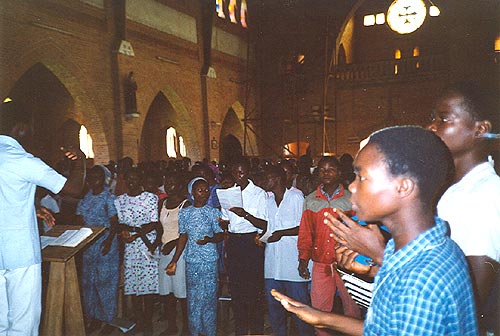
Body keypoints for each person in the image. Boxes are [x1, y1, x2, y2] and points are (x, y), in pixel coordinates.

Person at [326, 82, 500, 335]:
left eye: (443, 119)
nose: (431, 127)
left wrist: (378, 253)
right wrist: (374, 268)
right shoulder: (451, 188)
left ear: (480, 129)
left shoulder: (486, 195)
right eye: (432, 119)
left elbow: (467, 300)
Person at [272, 125, 478, 336]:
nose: (352, 187)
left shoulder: (420, 282)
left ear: (402, 187)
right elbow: (384, 330)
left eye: (362, 177)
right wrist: (322, 317)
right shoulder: (428, 250)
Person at [0, 101, 86, 335]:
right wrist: (81, 163)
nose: (32, 132)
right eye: (30, 127)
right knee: (23, 325)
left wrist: (32, 206)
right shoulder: (22, 159)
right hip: (20, 255)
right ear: (20, 128)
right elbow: (73, 190)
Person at [297, 156, 360, 336]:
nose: (326, 173)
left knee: (352, 310)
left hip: (348, 264)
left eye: (331, 169)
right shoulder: (311, 200)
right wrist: (303, 259)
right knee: (319, 311)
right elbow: (306, 233)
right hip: (321, 264)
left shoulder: (351, 199)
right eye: (322, 169)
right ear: (317, 173)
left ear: (339, 172)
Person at [166, 177, 224, 336]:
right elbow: (183, 237)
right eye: (200, 190)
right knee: (194, 300)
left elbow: (221, 235)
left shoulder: (213, 212)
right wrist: (174, 260)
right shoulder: (185, 213)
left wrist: (209, 239)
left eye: (206, 190)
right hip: (192, 261)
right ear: (192, 192)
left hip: (209, 261)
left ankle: (209, 332)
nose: (204, 193)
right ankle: (195, 331)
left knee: (209, 299)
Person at [218, 157, 268, 335]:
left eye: (241, 172)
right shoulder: (228, 192)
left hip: (251, 242)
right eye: (235, 172)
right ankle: (240, 328)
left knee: (253, 289)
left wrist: (244, 214)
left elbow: (263, 224)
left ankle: (255, 329)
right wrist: (223, 222)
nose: (238, 176)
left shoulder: (259, 194)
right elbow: (226, 219)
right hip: (234, 241)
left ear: (248, 172)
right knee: (237, 288)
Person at [262, 165, 314, 336]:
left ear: (276, 179)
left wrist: (282, 233)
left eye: (267, 178)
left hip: (292, 262)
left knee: (299, 308)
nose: (264, 181)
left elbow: (305, 227)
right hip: (272, 264)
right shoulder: (268, 200)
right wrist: (261, 236)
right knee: (275, 308)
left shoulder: (296, 197)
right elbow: (268, 226)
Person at [115, 168, 162, 336]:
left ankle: (148, 322)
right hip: (131, 247)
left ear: (140, 180)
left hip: (146, 245)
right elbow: (121, 224)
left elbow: (153, 223)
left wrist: (135, 234)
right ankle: (139, 321)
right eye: (129, 179)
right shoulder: (120, 201)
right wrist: (124, 232)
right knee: (134, 286)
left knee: (148, 287)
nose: (132, 182)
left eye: (135, 179)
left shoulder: (150, 198)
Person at [76, 165, 120, 335]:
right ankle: (94, 318)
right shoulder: (84, 199)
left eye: (98, 178)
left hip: (105, 244)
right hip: (88, 246)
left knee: (106, 283)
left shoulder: (108, 198)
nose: (95, 181)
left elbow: (115, 223)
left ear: (103, 180)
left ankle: (108, 319)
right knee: (89, 283)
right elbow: (80, 220)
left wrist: (109, 241)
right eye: (92, 178)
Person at [158, 173, 189, 336]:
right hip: (164, 251)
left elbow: (187, 232)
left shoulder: (186, 204)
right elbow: (159, 227)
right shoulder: (163, 202)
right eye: (167, 183)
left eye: (173, 183)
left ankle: (186, 328)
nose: (169, 186)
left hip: (180, 252)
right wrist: (157, 243)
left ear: (179, 185)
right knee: (167, 293)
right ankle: (171, 326)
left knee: (181, 292)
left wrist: (173, 244)